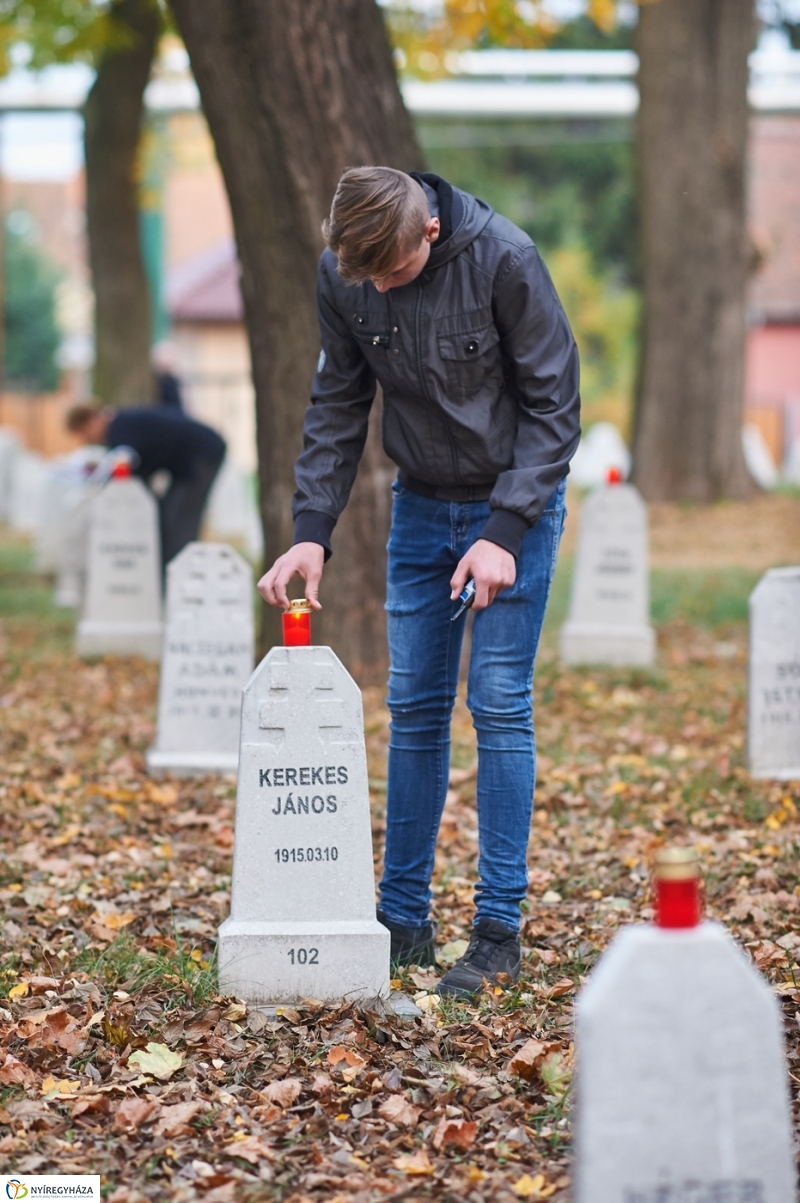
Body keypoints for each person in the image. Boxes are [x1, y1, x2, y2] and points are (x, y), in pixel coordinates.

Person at [259, 168, 580, 999]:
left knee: (500, 701)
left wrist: (505, 532)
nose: (378, 290)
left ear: (429, 232)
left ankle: (497, 932)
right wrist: (311, 535)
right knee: (413, 708)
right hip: (420, 510)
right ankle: (402, 921)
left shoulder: (506, 259)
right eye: (363, 277)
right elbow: (336, 401)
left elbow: (554, 406)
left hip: (515, 510)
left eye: (391, 273)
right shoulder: (348, 270)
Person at [66, 402, 225, 569]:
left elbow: (127, 469)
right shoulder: (123, 424)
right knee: (168, 518)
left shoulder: (118, 430)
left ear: (92, 420)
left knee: (179, 521)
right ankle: (170, 574)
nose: (89, 439)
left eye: (84, 433)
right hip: (187, 462)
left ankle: (180, 575)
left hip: (200, 457)